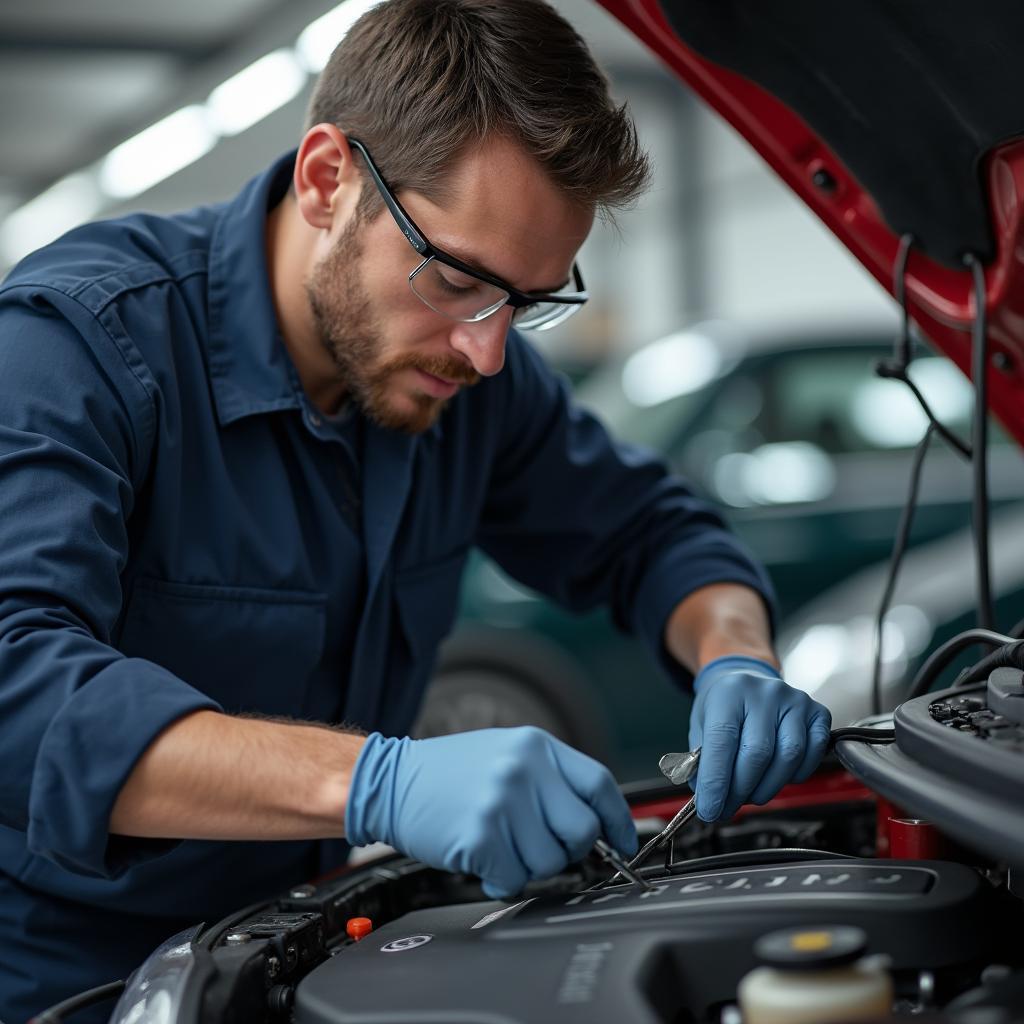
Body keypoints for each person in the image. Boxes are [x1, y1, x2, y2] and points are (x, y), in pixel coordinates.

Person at [0, 0, 831, 1019]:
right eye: (455, 278)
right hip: (61, 977)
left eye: (525, 302)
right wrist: (380, 782)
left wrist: (732, 651)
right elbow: (18, 688)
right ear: (324, 180)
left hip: (297, 945)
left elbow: (651, 530)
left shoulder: (466, 377)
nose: (486, 351)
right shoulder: (77, 347)